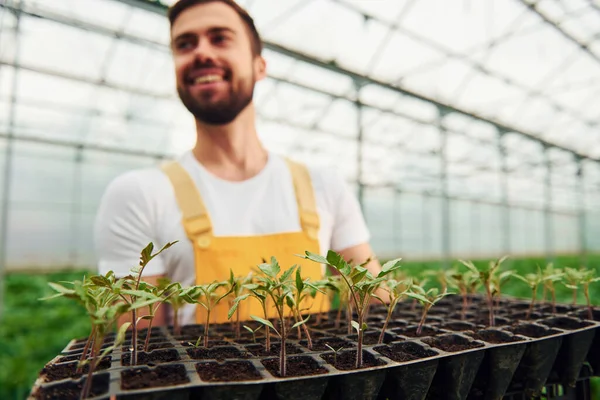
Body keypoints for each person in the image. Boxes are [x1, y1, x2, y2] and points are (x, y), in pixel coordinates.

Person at [94, 0, 385, 328]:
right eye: (184, 44)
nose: (201, 52)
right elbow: (138, 353)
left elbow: (376, 306)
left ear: (260, 65)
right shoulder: (138, 194)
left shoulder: (324, 185)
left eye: (220, 38)